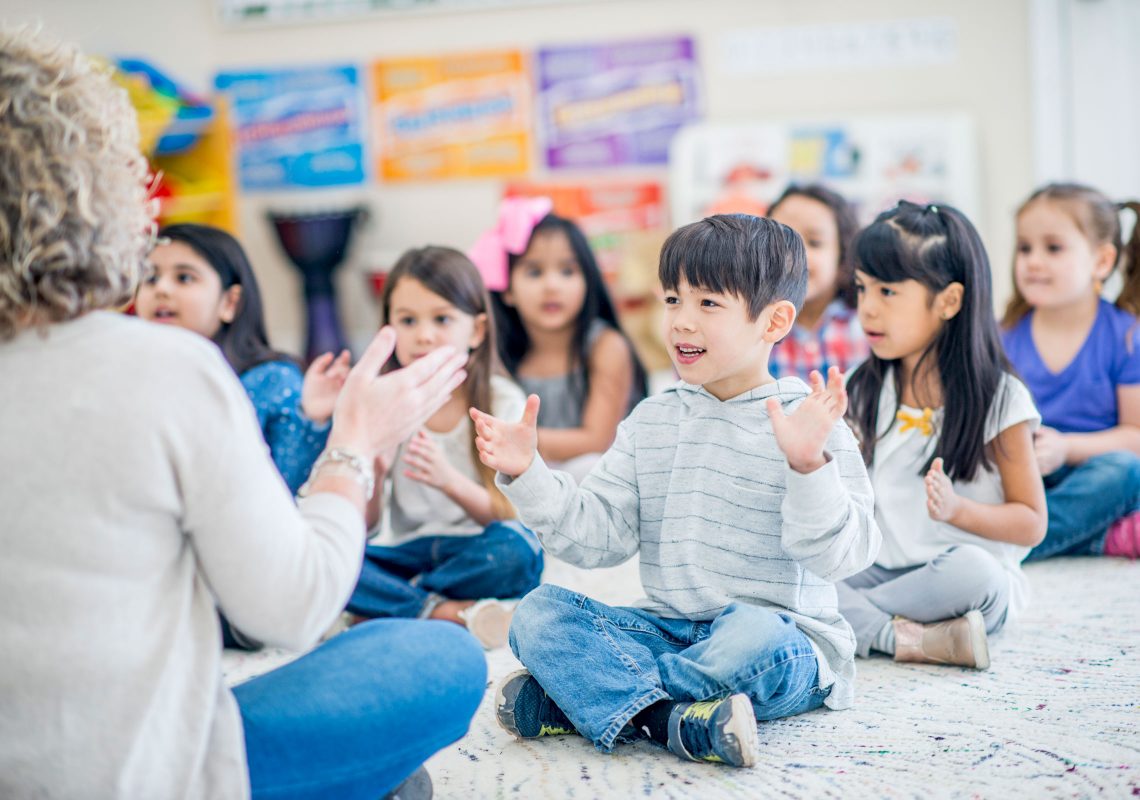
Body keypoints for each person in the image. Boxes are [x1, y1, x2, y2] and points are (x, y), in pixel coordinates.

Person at [0, 29, 483, 800]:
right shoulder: (163, 365)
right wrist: (356, 438)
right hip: (153, 772)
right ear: (97, 190)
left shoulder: (226, 372)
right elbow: (289, 605)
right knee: (444, 662)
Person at [470, 214, 880, 768]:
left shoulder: (808, 423)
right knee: (538, 614)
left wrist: (809, 467)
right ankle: (668, 721)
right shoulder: (653, 420)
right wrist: (529, 474)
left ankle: (589, 701)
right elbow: (599, 540)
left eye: (708, 304)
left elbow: (843, 557)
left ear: (774, 321)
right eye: (672, 300)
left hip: (782, 641)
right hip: (670, 631)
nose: (682, 322)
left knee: (753, 637)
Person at [838, 201, 1047, 672]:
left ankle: (842, 624)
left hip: (956, 574)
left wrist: (958, 511)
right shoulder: (864, 387)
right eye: (862, 288)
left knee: (979, 575)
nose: (867, 308)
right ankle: (905, 638)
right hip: (880, 567)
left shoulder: (1000, 399)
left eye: (888, 291)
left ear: (949, 301)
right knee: (794, 575)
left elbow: (1032, 521)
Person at [346, 246, 543, 649]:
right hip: (407, 551)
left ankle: (395, 603)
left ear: (477, 331)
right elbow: (363, 526)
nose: (423, 334)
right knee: (337, 559)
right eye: (407, 320)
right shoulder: (383, 400)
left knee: (521, 550)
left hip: (475, 549)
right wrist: (377, 470)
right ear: (388, 329)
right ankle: (446, 612)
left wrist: (447, 479)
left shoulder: (500, 400)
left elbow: (510, 514)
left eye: (442, 318)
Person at [136, 223, 349, 496]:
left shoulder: (271, 380)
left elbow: (285, 489)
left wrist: (313, 420)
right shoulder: (136, 380)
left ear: (230, 303)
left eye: (184, 278)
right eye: (150, 278)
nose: (161, 289)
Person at [1001, 183, 1140, 560]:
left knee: (1126, 471)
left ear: (1102, 261)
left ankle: (1017, 547)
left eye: (1053, 248)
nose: (1033, 261)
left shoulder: (1126, 336)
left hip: (1089, 470)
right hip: (1021, 472)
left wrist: (1065, 448)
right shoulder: (1004, 336)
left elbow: (1135, 437)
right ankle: (1096, 538)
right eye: (1025, 248)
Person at [471, 197, 647, 482]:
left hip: (594, 484)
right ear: (507, 290)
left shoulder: (606, 346)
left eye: (567, 271)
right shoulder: (499, 352)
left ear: (587, 281)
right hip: (522, 482)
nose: (552, 286)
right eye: (534, 272)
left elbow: (597, 441)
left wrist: (512, 438)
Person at [767, 183, 869, 381]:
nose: (793, 255)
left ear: (843, 257)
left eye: (814, 242)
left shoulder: (865, 328)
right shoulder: (753, 328)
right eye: (780, 240)